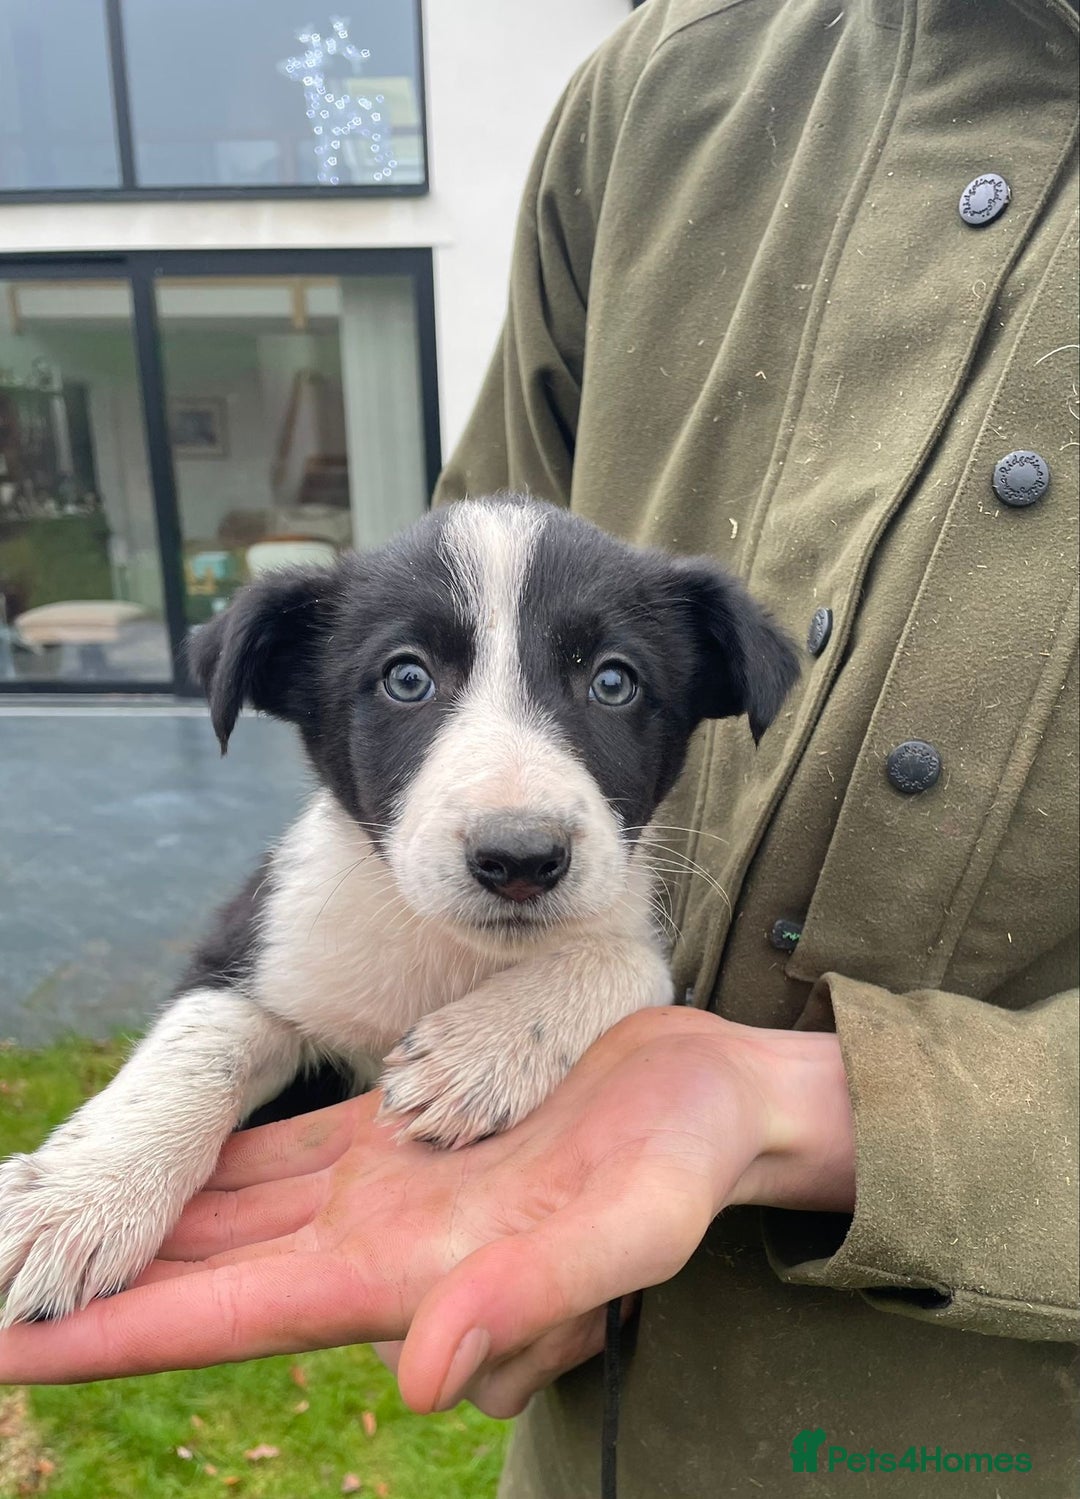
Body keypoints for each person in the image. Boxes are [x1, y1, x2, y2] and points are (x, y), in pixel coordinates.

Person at [1, 1, 1077, 1493]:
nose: (512, 801)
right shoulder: (671, 79)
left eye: (614, 680)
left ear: (708, 687)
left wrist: (632, 1024)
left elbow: (623, 968)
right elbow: (241, 1012)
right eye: (406, 680)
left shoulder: (613, 915)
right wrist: (123, 1159)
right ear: (298, 700)